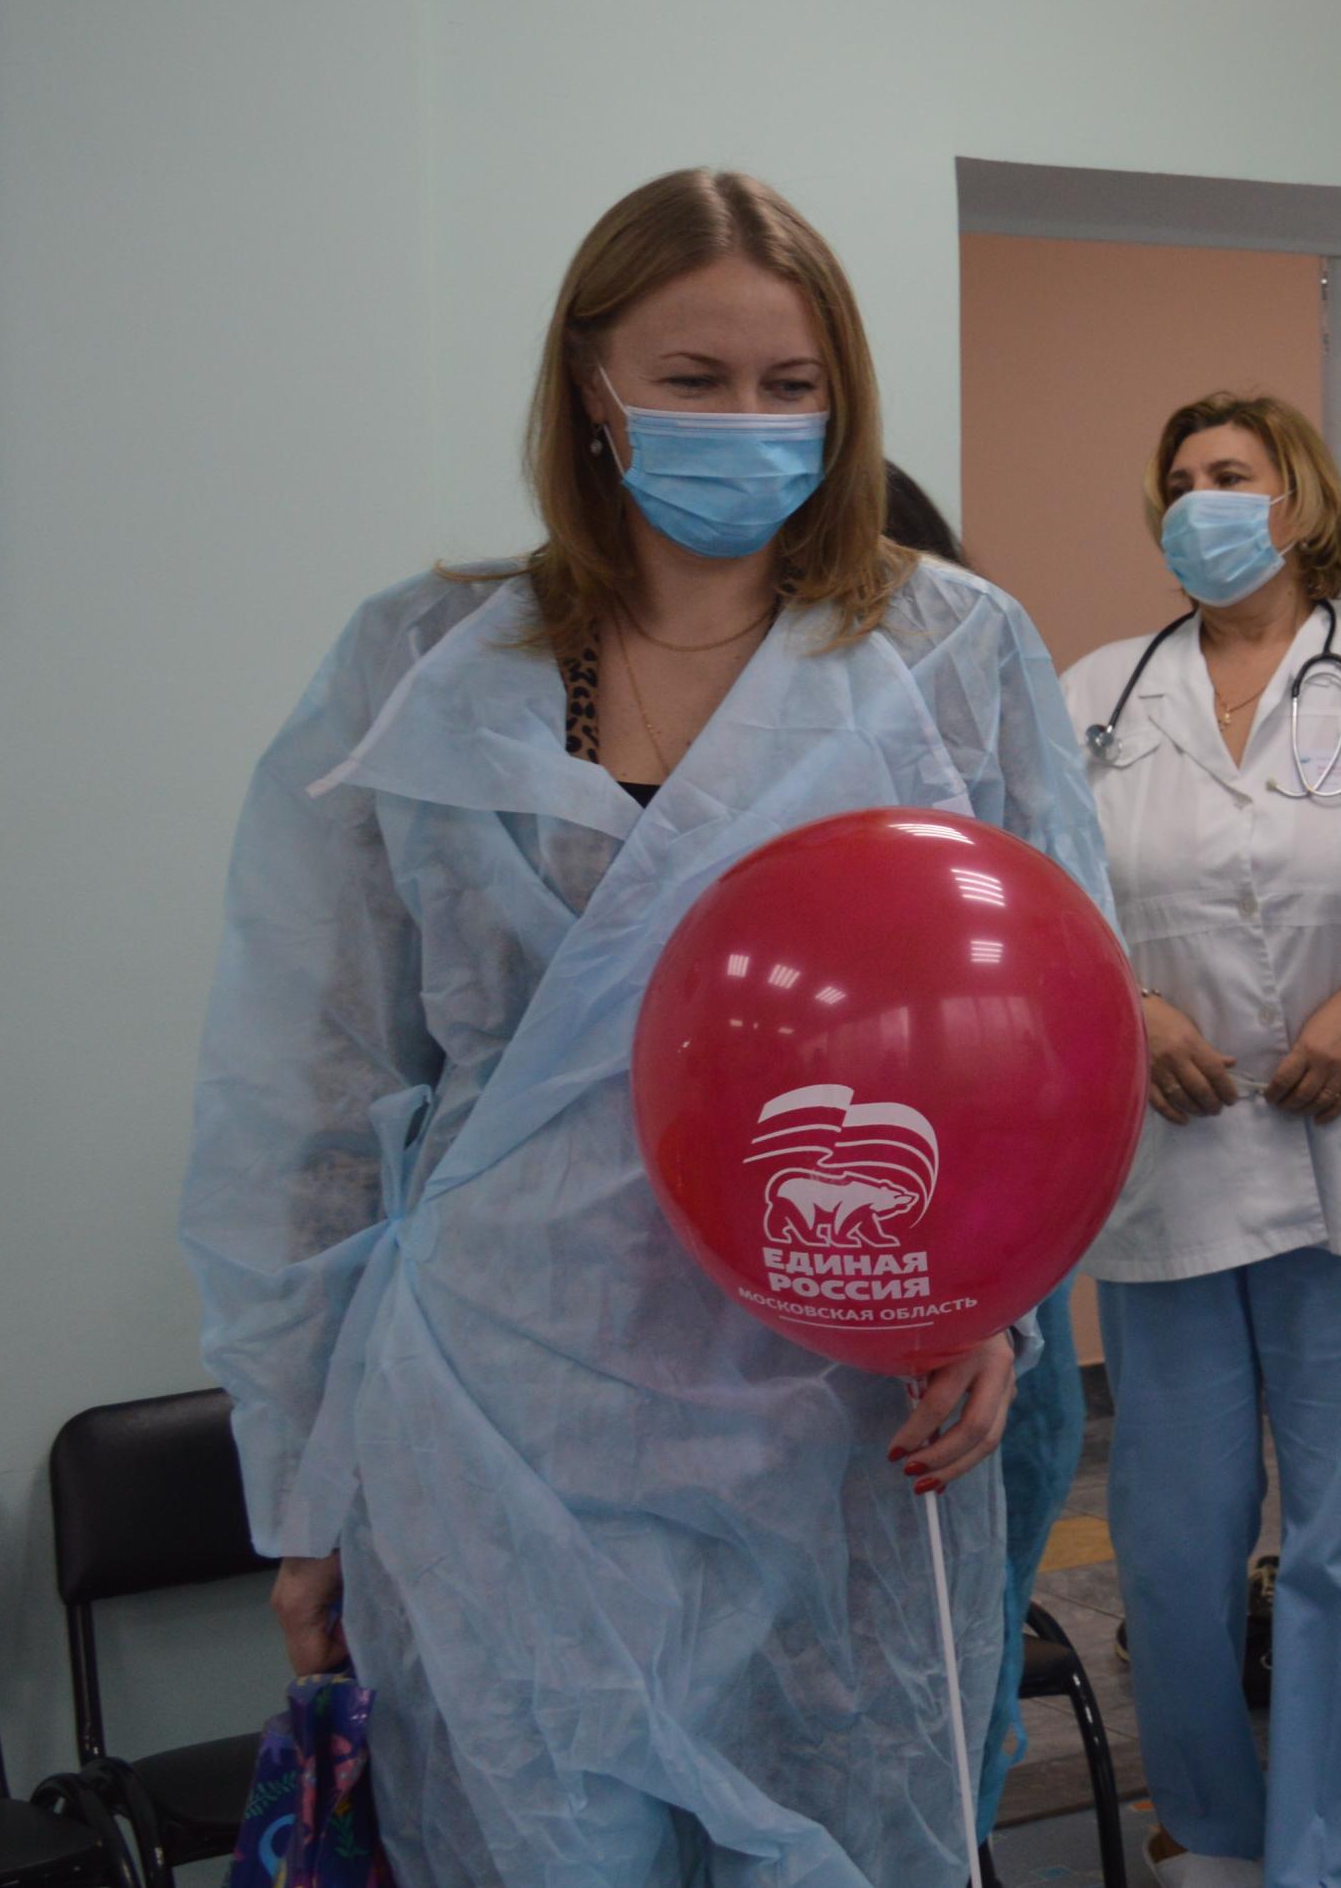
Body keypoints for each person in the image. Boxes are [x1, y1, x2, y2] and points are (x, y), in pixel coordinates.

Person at [180, 169, 1116, 1887]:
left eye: (791, 385)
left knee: (828, 1844)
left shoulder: (946, 650)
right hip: (497, 1416)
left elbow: (1052, 1026)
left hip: (827, 1411)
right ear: (591, 386)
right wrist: (302, 1492)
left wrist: (993, 1301)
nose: (747, 422)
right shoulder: (423, 659)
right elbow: (307, 1102)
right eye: (695, 380)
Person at [1062, 392, 1341, 1888]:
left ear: (1296, 502)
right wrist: (1131, 1011)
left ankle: (1334, 1854)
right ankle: (1213, 1835)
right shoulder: (1098, 694)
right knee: (1174, 1547)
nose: (1200, 502)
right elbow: (1045, 889)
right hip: (1170, 1157)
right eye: (1178, 481)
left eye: (1230, 475)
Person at [879, 457, 1094, 1814]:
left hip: (992, 1243)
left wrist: (988, 1300)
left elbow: (1053, 991)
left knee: (958, 1676)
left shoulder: (982, 690)